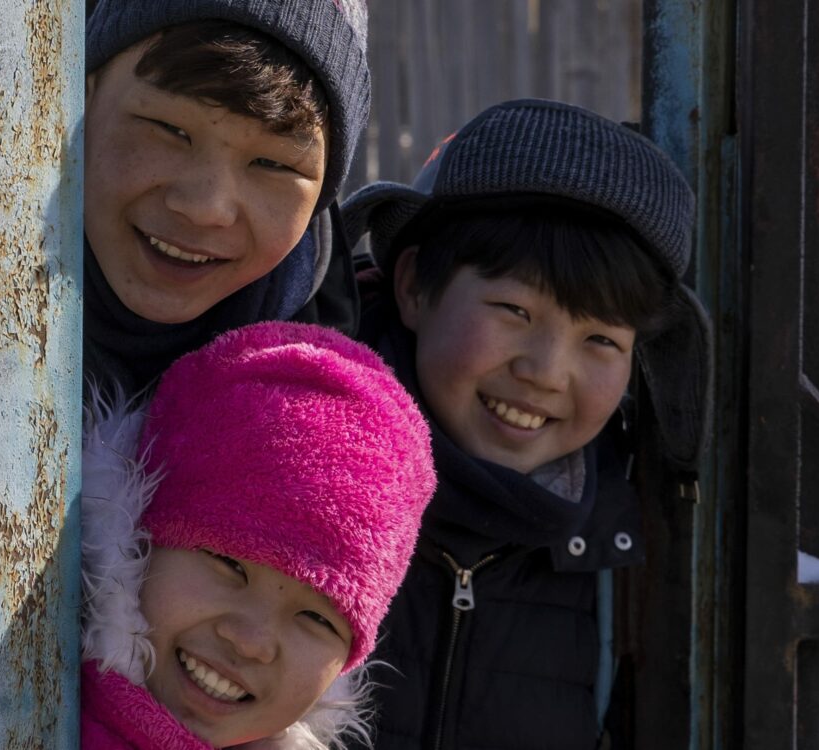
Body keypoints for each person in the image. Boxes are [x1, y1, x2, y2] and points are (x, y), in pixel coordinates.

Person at [341, 99, 712, 748]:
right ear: (414, 287)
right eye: (514, 310)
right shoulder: (296, 484)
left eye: (601, 340)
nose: (545, 373)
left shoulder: (622, 559)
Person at [79, 321, 437, 749]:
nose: (251, 642)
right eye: (229, 564)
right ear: (136, 538)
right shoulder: (25, 702)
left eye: (317, 619)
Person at [82, 0, 372, 398]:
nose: (206, 209)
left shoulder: (338, 402)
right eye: (169, 129)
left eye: (272, 164)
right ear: (83, 98)